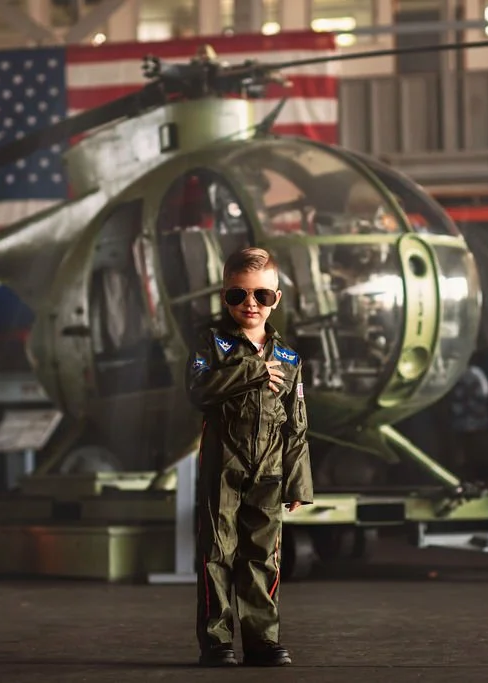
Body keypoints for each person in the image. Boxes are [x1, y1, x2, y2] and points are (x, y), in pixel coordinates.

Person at [186, 246, 314, 668]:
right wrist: (252, 371)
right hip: (223, 464)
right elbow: (198, 391)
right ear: (225, 296)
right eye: (237, 295)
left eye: (262, 294)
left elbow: (296, 423)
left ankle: (262, 641)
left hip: (270, 470)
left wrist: (298, 481)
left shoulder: (289, 358)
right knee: (216, 554)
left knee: (263, 557)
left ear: (277, 298)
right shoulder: (212, 344)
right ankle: (217, 642)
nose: (250, 304)